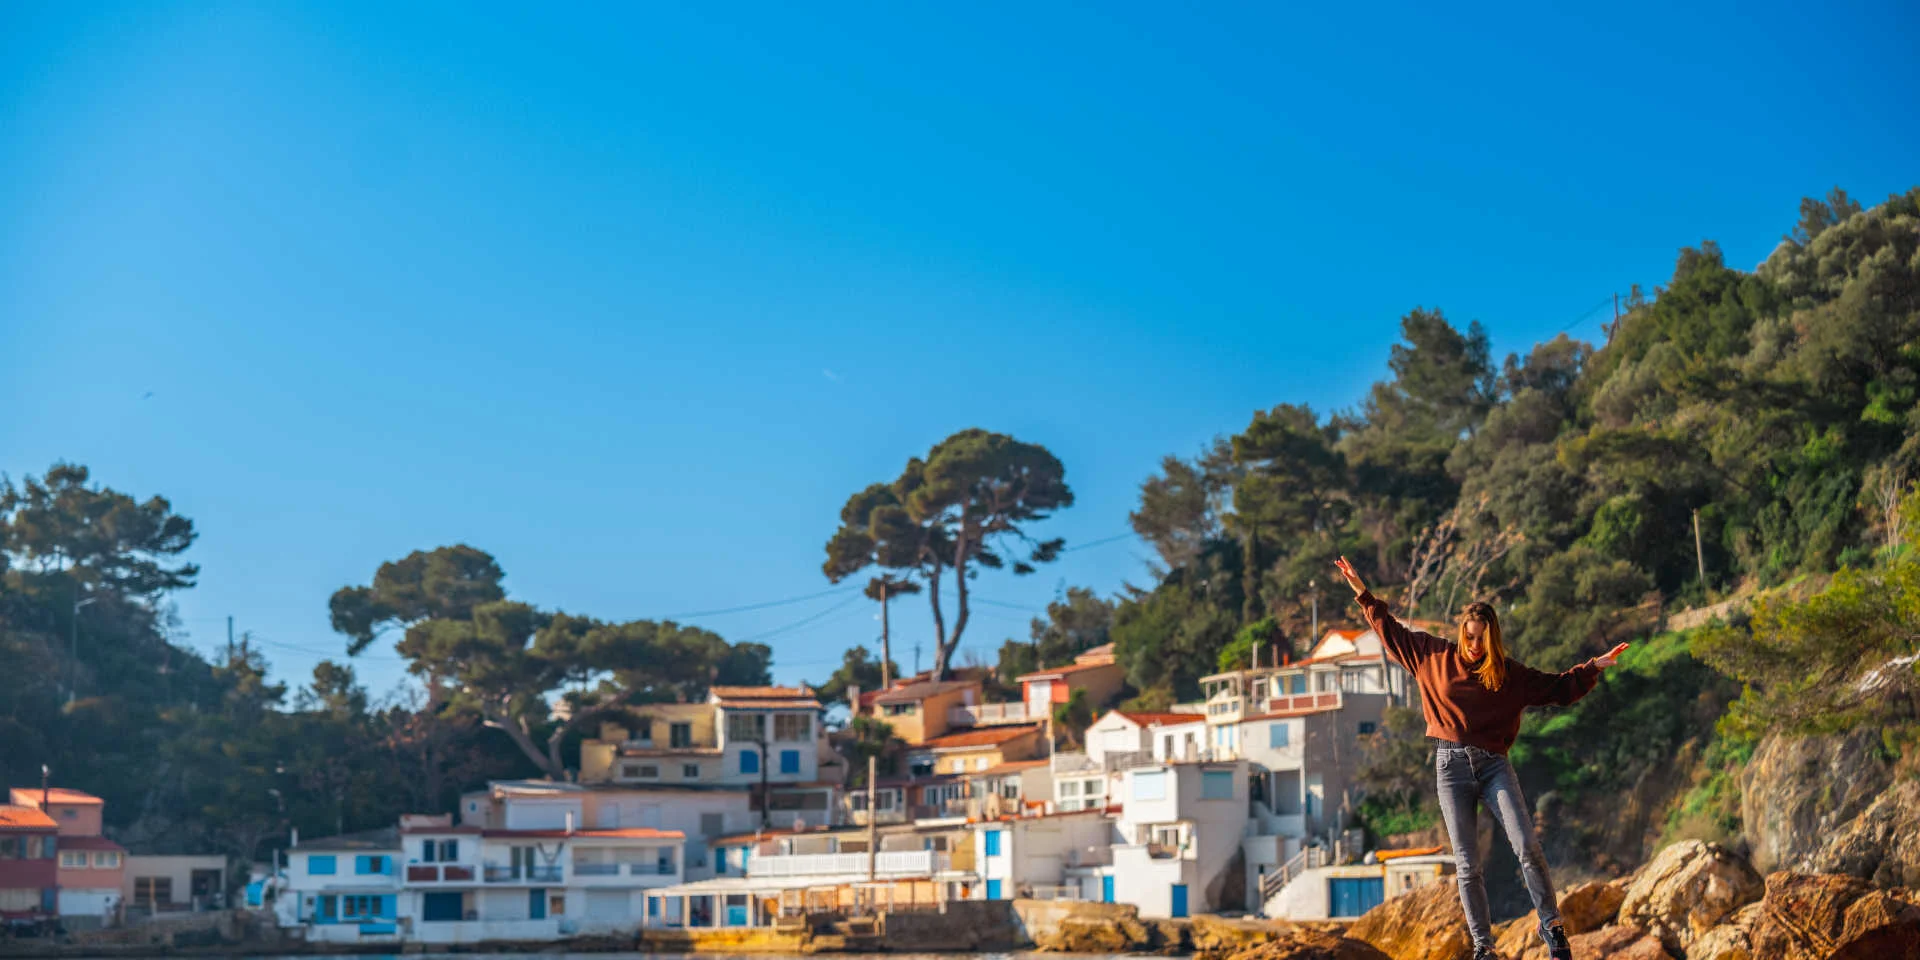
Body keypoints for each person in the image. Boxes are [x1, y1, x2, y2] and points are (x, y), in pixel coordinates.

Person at [1332, 556, 1627, 960]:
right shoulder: (1431, 655)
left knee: (1526, 845)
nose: (1473, 645)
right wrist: (1363, 593)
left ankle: (1552, 928)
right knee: (1468, 866)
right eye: (1469, 637)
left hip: (1493, 767)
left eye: (1481, 639)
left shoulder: (1508, 675)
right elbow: (1390, 630)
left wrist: (1594, 667)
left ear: (1492, 638)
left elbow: (1558, 687)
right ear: (1461, 633)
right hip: (1449, 768)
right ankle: (1483, 948)